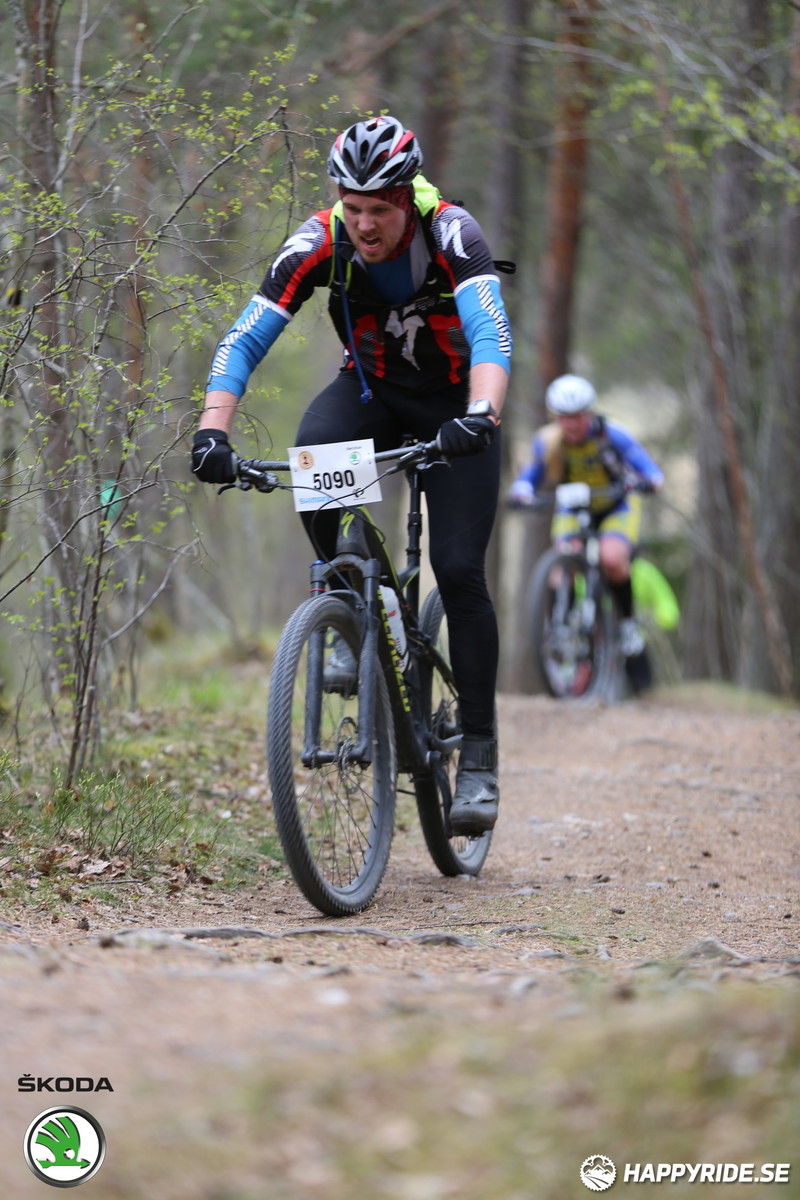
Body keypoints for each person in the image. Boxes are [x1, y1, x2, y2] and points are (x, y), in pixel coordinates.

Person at [191, 115, 512, 836]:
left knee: (457, 569)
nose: (365, 224)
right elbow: (246, 337)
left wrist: (482, 414)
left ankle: (482, 752)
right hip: (371, 395)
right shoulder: (320, 241)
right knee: (312, 454)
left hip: (456, 408)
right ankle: (349, 605)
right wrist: (213, 430)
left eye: (380, 209)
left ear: (406, 199)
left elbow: (492, 335)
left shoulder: (453, 234)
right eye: (353, 206)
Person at [508, 373, 664, 672]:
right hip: (573, 508)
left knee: (612, 558)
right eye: (564, 417)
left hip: (615, 505)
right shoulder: (547, 441)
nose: (572, 424)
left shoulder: (611, 434)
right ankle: (560, 627)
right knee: (559, 567)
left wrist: (651, 479)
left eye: (578, 416)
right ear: (556, 417)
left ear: (589, 413)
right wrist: (521, 491)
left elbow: (642, 463)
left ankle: (629, 624)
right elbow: (531, 475)